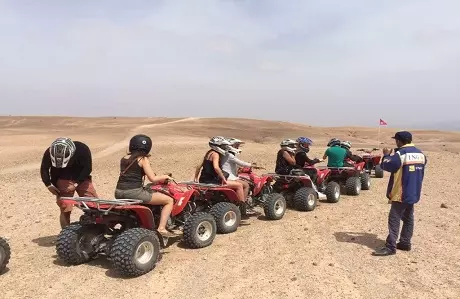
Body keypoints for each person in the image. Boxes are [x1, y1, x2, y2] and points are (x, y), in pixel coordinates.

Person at [372, 131, 427, 256]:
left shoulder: (401, 154)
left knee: (394, 218)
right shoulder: (420, 154)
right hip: (414, 191)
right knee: (408, 218)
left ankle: (391, 246)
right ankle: (405, 243)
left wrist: (386, 155)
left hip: (401, 192)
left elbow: (387, 166)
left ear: (399, 141)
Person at [114, 134, 179, 238]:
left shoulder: (124, 158)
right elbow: (152, 178)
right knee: (169, 201)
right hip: (134, 192)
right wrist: (165, 176)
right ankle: (161, 228)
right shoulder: (142, 159)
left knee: (148, 191)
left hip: (118, 192)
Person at [40, 137, 98, 229]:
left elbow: (87, 168)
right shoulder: (50, 151)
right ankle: (66, 233)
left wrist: (76, 184)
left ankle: (95, 230)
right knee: (65, 208)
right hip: (62, 177)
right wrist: (48, 184)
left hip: (81, 177)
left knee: (93, 204)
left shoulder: (82, 150)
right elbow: (44, 168)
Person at [194, 136, 245, 201]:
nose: (224, 148)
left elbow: (198, 166)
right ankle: (242, 208)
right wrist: (223, 178)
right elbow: (216, 167)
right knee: (239, 185)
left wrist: (196, 178)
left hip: (203, 179)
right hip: (212, 180)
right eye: (222, 146)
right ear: (217, 146)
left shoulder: (208, 153)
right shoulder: (216, 154)